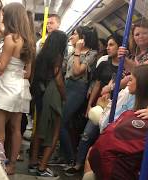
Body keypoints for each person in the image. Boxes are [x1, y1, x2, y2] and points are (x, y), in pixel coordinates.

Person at [0, 2, 35, 174]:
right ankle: (11, 166)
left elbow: (0, 69)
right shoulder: (28, 41)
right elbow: (27, 73)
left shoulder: (11, 39)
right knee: (15, 129)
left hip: (4, 89)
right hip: (19, 89)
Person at [64, 33, 123, 176]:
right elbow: (96, 84)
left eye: (111, 45)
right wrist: (89, 105)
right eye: (107, 44)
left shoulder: (125, 65)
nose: (108, 48)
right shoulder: (104, 63)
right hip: (100, 104)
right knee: (86, 135)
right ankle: (78, 164)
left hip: (117, 106)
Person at [88, 64, 148, 180]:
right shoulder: (132, 112)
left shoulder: (140, 118)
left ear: (141, 84)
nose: (127, 83)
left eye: (131, 80)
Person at [29, 30, 67, 177]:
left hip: (40, 94)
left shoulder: (40, 56)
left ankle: (33, 162)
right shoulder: (57, 57)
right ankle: (42, 167)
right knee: (55, 132)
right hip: (52, 94)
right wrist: (65, 96)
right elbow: (58, 81)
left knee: (39, 130)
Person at [60, 26, 98, 166]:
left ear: (83, 38)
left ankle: (70, 158)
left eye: (74, 34)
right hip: (67, 85)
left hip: (78, 88)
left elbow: (77, 71)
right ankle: (63, 156)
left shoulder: (92, 54)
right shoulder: (72, 52)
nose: (71, 37)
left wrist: (77, 51)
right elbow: (66, 69)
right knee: (65, 122)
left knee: (61, 122)